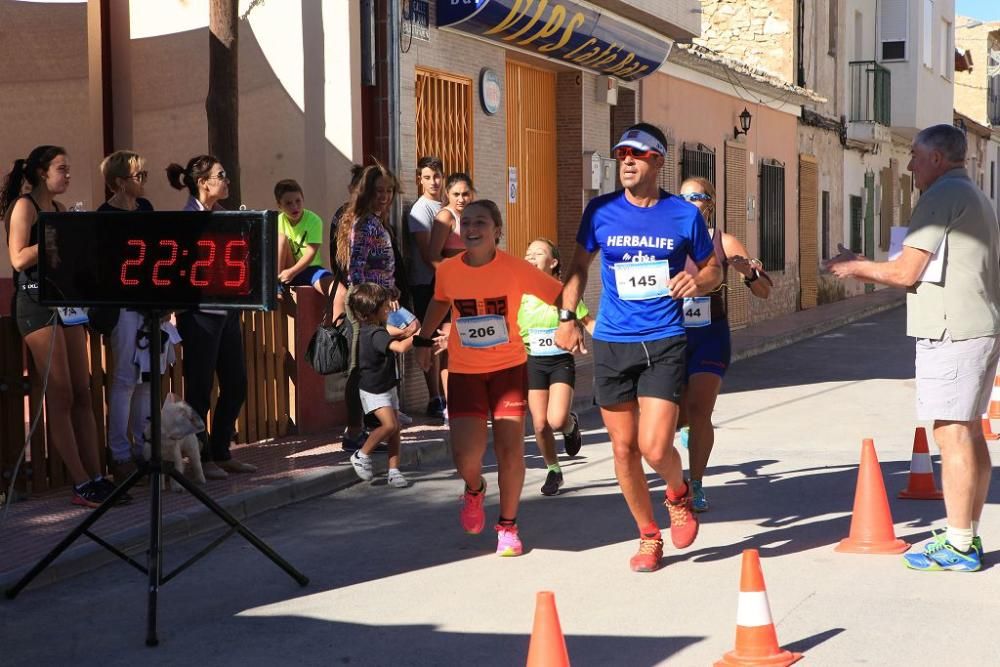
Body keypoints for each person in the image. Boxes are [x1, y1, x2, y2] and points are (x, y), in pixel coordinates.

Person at [827, 124, 1000, 572]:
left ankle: (960, 546)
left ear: (938, 160)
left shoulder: (941, 197)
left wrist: (853, 268)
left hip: (953, 330)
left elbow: (907, 272)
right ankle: (965, 533)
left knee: (951, 433)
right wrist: (865, 262)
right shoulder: (972, 195)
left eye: (916, 157)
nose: (910, 165)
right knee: (967, 430)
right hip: (973, 326)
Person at [555, 123, 723, 573]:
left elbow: (714, 271)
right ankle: (649, 536)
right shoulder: (600, 211)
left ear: (658, 162)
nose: (626, 160)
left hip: (664, 340)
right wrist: (567, 318)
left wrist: (697, 279)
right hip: (612, 342)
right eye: (622, 154)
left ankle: (677, 493)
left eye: (638, 154)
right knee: (623, 449)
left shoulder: (682, 215)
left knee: (653, 446)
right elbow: (576, 269)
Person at [414, 199, 565, 557]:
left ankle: (508, 526)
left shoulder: (515, 268)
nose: (471, 229)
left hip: (508, 369)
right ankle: (474, 488)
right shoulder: (449, 269)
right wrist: (423, 338)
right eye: (465, 223)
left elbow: (559, 294)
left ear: (497, 230)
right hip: (465, 372)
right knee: (466, 456)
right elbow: (439, 301)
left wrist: (575, 321)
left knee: (510, 450)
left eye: (480, 222)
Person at [2, 146, 122, 507]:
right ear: (41, 173)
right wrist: (56, 237)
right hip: (36, 305)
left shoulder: (58, 211)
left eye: (69, 170)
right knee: (61, 392)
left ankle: (98, 475)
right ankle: (80, 482)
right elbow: (18, 257)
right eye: (62, 169)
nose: (68, 176)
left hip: (66, 303)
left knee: (83, 392)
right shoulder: (26, 207)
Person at [676, 177, 771, 512]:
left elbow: (765, 291)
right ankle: (685, 429)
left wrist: (748, 273)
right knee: (674, 417)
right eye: (683, 196)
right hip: (670, 337)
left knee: (701, 410)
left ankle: (696, 485)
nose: (689, 202)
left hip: (709, 335)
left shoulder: (723, 241)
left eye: (697, 197)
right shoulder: (667, 239)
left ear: (710, 203)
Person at [167, 155, 256, 480]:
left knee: (236, 384)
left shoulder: (224, 217)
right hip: (199, 316)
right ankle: (200, 458)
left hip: (227, 313)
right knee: (200, 389)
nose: (227, 180)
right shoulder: (188, 219)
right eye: (222, 175)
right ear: (203, 182)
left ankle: (221, 451)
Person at [98, 150, 172, 483]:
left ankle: (146, 449)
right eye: (137, 177)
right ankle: (120, 453)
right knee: (125, 379)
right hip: (122, 306)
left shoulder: (146, 209)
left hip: (148, 303)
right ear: (117, 182)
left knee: (148, 378)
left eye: (145, 175)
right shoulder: (104, 216)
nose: (143, 182)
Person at [333, 161, 411, 451]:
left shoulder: (377, 221)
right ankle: (354, 432)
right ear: (366, 192)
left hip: (380, 303)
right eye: (379, 191)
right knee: (359, 367)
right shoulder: (365, 222)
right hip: (365, 305)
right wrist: (372, 301)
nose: (385, 196)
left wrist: (391, 289)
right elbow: (357, 269)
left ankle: (370, 426)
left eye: (389, 191)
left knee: (375, 365)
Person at [519, 238, 593, 496]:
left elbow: (588, 321)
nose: (530, 257)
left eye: (537, 253)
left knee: (557, 419)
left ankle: (570, 425)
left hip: (560, 361)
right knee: (539, 425)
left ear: (553, 262)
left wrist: (615, 341)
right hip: (534, 362)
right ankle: (553, 470)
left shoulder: (563, 292)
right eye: (527, 254)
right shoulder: (519, 294)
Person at [348, 282, 416, 488]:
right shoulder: (376, 334)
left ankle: (394, 471)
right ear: (371, 312)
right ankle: (361, 454)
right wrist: (419, 335)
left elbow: (398, 333)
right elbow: (402, 347)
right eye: (385, 307)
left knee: (396, 429)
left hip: (386, 384)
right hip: (374, 389)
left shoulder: (371, 329)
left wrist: (410, 333)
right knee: (390, 425)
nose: (388, 310)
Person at [407, 156, 446, 419]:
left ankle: (449, 394)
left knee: (449, 339)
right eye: (427, 177)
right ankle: (435, 397)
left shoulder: (447, 204)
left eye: (437, 176)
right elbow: (426, 252)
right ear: (419, 179)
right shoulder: (420, 211)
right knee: (430, 339)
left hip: (448, 283)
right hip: (427, 283)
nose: (433, 181)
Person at [274, 178, 335, 297]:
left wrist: (292, 272)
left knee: (338, 292)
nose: (294, 206)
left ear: (303, 199)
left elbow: (310, 254)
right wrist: (286, 273)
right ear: (279, 205)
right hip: (286, 269)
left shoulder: (314, 220)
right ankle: (276, 285)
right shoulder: (277, 221)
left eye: (298, 201)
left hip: (309, 269)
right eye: (288, 203)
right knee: (280, 238)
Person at [428, 172, 474, 268]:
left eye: (465, 194)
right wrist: (452, 277)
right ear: (447, 193)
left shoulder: (471, 215)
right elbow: (433, 256)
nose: (461, 199)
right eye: (456, 194)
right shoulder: (445, 216)